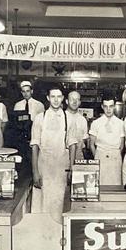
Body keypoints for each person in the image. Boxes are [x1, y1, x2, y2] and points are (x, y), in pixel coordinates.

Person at [30, 86, 82, 220]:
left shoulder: (69, 119)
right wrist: (35, 172)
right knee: (42, 204)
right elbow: (35, 145)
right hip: (44, 167)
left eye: (59, 97)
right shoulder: (39, 118)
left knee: (59, 204)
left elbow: (72, 145)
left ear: (63, 99)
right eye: (53, 96)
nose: (56, 100)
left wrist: (72, 168)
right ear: (48, 98)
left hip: (61, 168)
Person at [9, 79, 46, 176]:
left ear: (32, 91)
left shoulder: (39, 105)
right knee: (22, 159)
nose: (26, 94)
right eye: (23, 91)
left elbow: (42, 123)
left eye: (28, 91)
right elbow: (15, 121)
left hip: (34, 134)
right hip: (21, 135)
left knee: (33, 158)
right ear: (21, 92)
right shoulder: (17, 105)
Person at [88, 93, 125, 185]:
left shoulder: (120, 123)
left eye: (111, 106)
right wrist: (97, 157)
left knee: (116, 185)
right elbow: (91, 145)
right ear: (102, 106)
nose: (108, 109)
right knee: (100, 184)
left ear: (114, 106)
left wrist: (114, 155)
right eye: (105, 106)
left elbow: (122, 145)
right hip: (100, 157)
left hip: (115, 158)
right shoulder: (96, 123)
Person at [65, 90, 89, 156]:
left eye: (77, 99)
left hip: (78, 156)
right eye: (72, 99)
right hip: (63, 156)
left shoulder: (83, 120)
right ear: (67, 101)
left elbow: (84, 140)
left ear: (80, 102)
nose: (75, 102)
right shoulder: (61, 117)